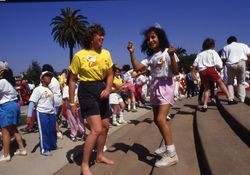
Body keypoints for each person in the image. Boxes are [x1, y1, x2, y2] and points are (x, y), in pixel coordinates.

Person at [127, 25, 179, 167]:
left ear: (160, 38)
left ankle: (172, 153)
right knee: (156, 119)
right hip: (155, 88)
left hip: (166, 87)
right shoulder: (150, 57)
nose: (150, 40)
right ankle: (167, 146)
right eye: (148, 38)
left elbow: (175, 72)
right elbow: (137, 68)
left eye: (153, 37)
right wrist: (132, 53)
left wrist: (172, 55)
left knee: (161, 119)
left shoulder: (168, 52)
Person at [68, 23, 114, 175]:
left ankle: (100, 155)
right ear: (91, 37)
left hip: (102, 89)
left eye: (103, 35)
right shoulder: (79, 56)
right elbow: (72, 80)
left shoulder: (106, 53)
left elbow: (110, 74)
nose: (102, 37)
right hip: (86, 90)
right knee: (96, 129)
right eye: (99, 35)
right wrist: (72, 102)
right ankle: (85, 164)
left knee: (106, 125)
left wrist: (108, 88)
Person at [192, 38, 238, 112]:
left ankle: (205, 105)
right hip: (210, 69)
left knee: (206, 88)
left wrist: (193, 73)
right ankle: (229, 98)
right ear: (212, 45)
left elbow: (194, 65)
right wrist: (220, 68)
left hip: (202, 71)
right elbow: (219, 64)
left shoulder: (200, 54)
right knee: (220, 83)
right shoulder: (213, 52)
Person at [0, 61, 27, 162]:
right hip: (14, 105)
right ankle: (22, 149)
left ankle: (6, 155)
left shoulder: (2, 82)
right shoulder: (9, 81)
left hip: (6, 107)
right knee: (14, 129)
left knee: (5, 131)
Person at [27, 71, 58, 156]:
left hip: (51, 113)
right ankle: (45, 149)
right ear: (42, 79)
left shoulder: (49, 89)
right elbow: (32, 103)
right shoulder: (38, 89)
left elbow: (52, 103)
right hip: (42, 113)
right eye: (46, 76)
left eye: (50, 76)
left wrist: (54, 113)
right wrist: (29, 116)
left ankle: (52, 145)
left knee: (52, 130)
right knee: (44, 131)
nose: (49, 78)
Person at [221, 36, 250, 103]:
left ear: (228, 42)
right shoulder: (243, 45)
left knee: (230, 82)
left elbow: (224, 59)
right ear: (236, 40)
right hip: (241, 62)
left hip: (230, 64)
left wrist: (223, 66)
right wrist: (247, 63)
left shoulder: (226, 47)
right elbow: (249, 55)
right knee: (241, 82)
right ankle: (242, 99)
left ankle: (231, 98)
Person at [42, 64, 63, 139]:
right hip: (59, 99)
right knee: (55, 117)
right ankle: (57, 131)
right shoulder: (55, 79)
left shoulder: (48, 79)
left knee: (52, 117)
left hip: (53, 100)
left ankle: (57, 132)